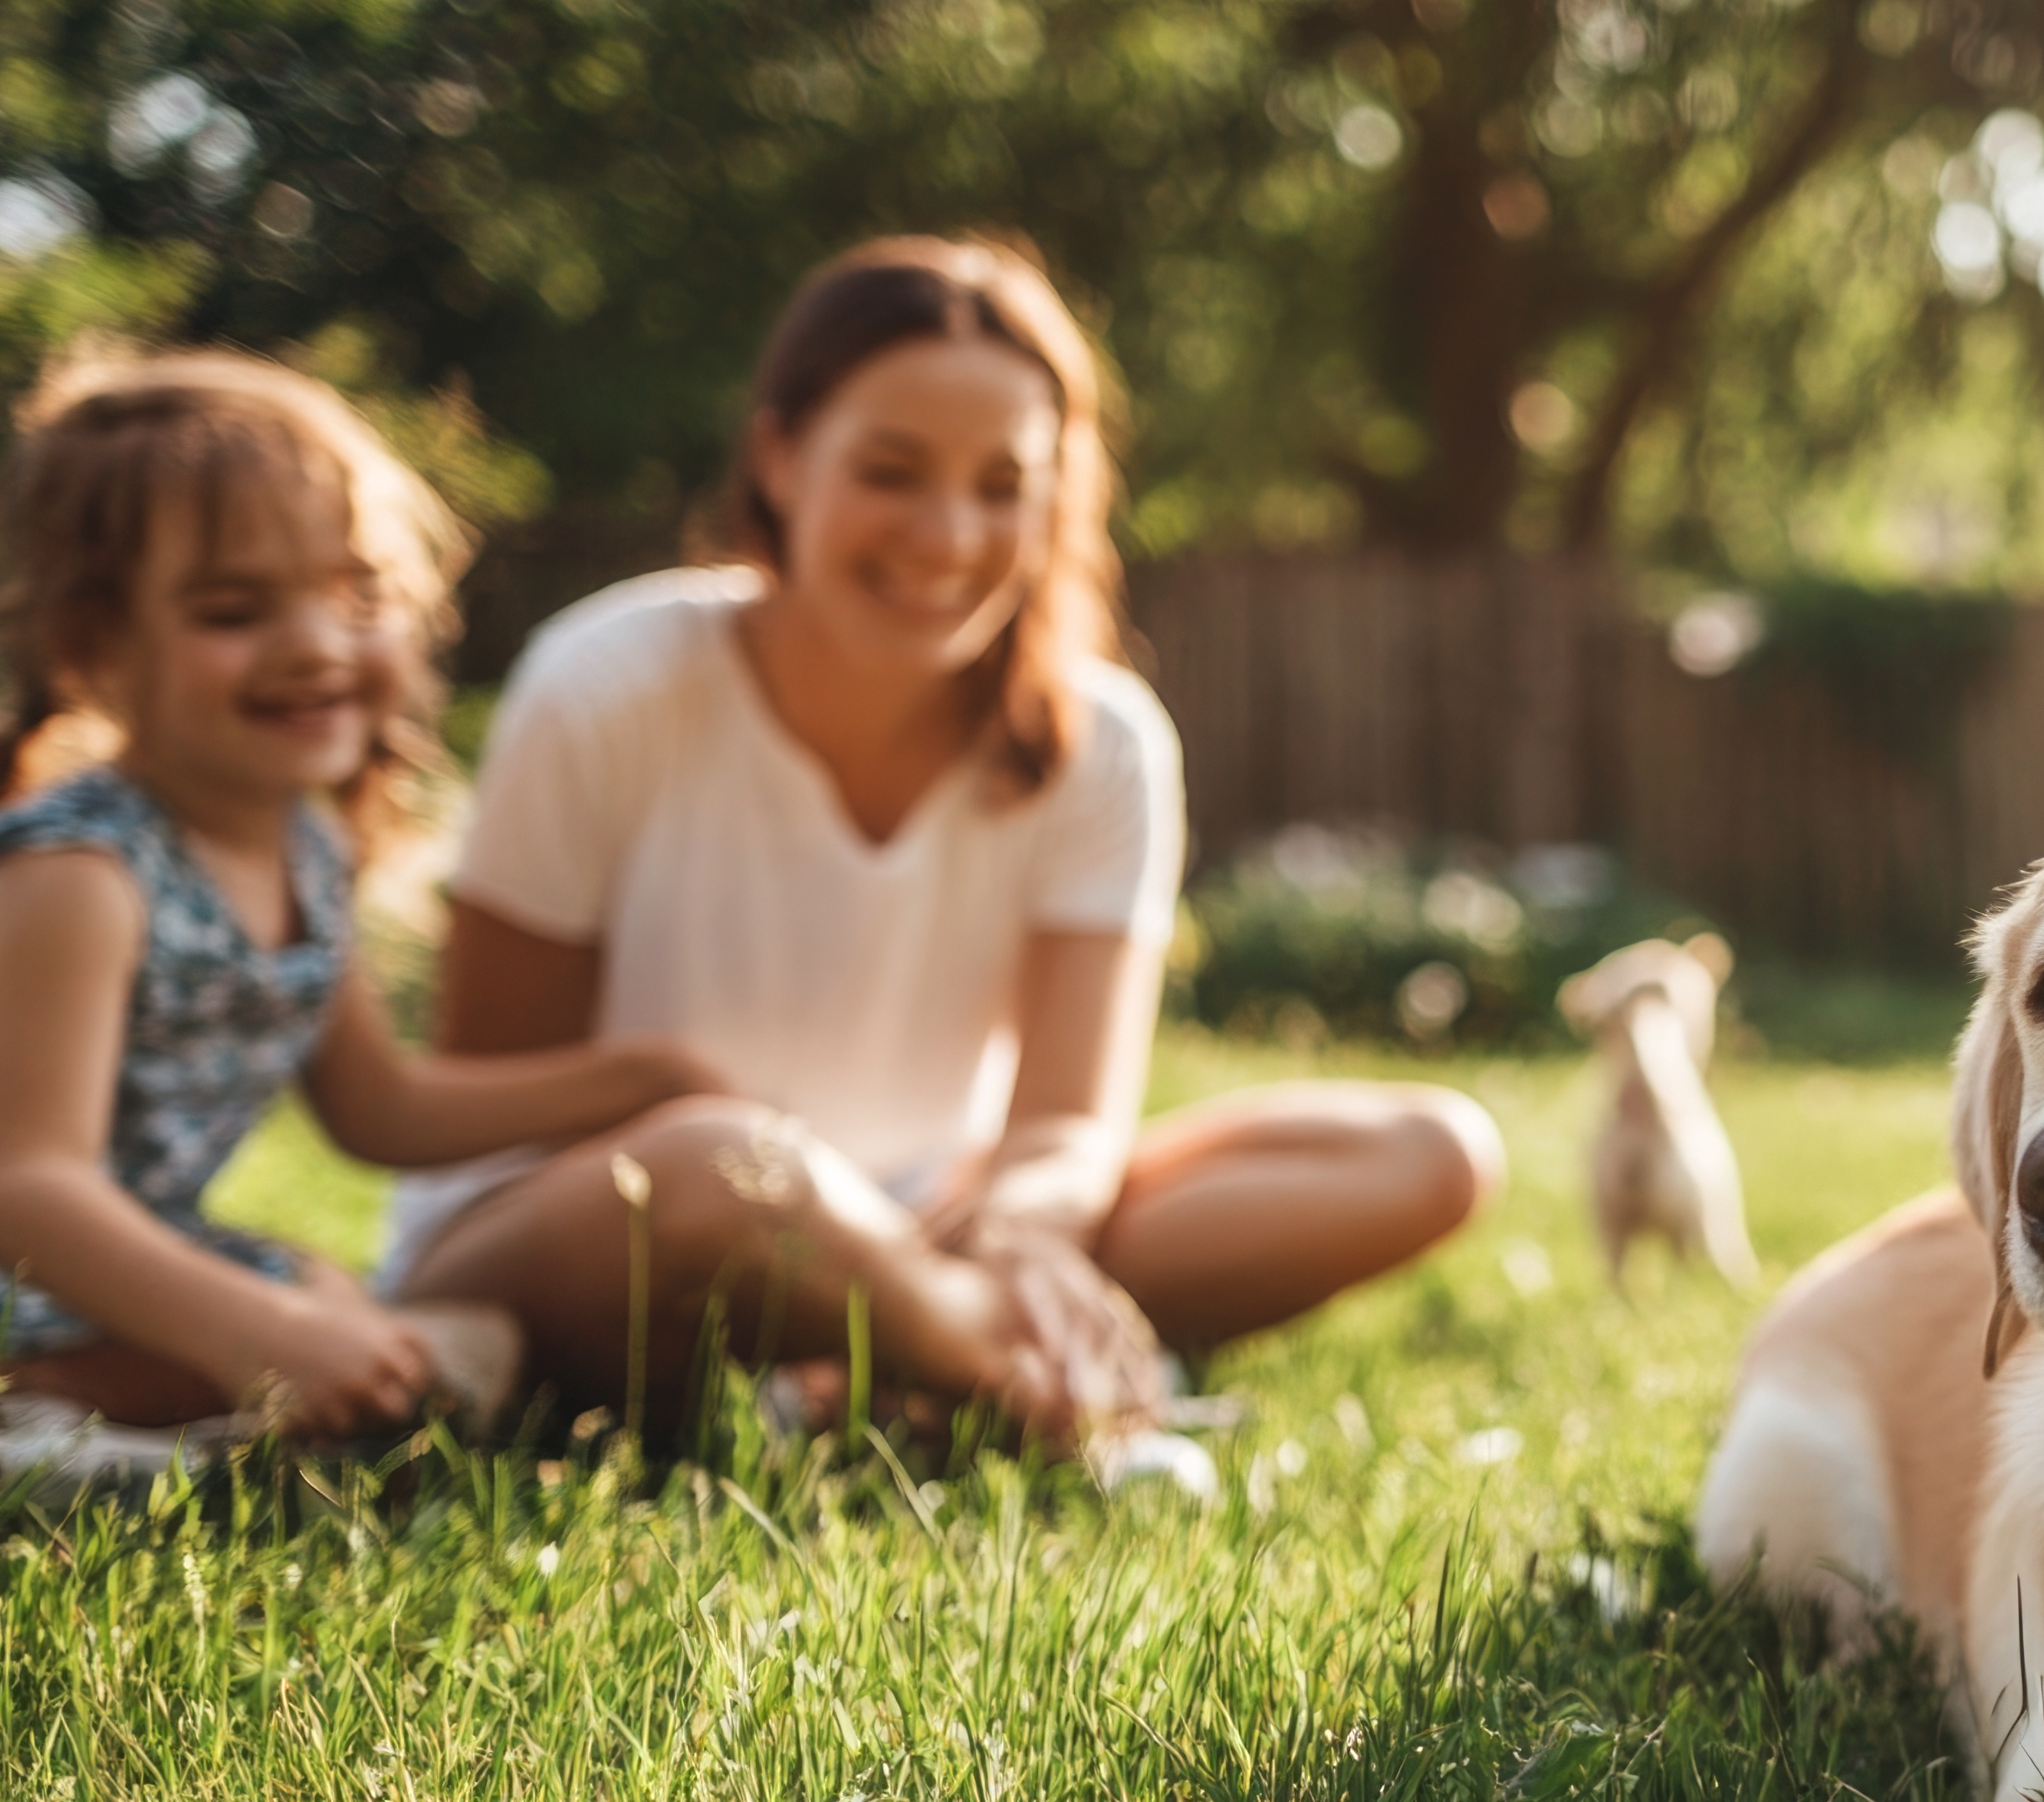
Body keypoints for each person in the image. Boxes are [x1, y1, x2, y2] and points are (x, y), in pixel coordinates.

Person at [383, 235, 1499, 1443]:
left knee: (1431, 1152)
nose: (946, 534)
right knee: (727, 1167)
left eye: (1001, 485)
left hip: (933, 1222)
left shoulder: (1103, 742)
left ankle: (889, 1359)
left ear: (1056, 498)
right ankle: (1002, 1374)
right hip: (636, 1229)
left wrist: (1020, 1231)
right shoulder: (605, 683)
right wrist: (734, 1150)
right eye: (893, 470)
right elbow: (495, 1110)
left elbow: (1069, 1124)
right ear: (780, 458)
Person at [0, 348, 712, 1455]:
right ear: (94, 647)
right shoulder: (78, 871)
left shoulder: (307, 853)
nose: (316, 645)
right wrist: (255, 1331)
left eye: (356, 595)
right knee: (231, 1339)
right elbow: (24, 1186)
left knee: (321, 1295)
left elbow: (383, 1111)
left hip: (5, 1250)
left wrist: (643, 1077)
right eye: (234, 610)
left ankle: (83, 1422)